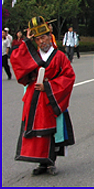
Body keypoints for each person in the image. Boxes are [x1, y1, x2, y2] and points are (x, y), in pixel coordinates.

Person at [11, 16, 75, 176]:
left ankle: (51, 161)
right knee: (37, 132)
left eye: (44, 37)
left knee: (52, 132)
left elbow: (68, 77)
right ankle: (41, 162)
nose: (41, 42)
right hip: (34, 98)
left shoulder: (59, 56)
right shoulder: (31, 56)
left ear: (49, 36)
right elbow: (15, 59)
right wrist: (26, 40)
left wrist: (48, 86)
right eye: (38, 39)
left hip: (51, 98)